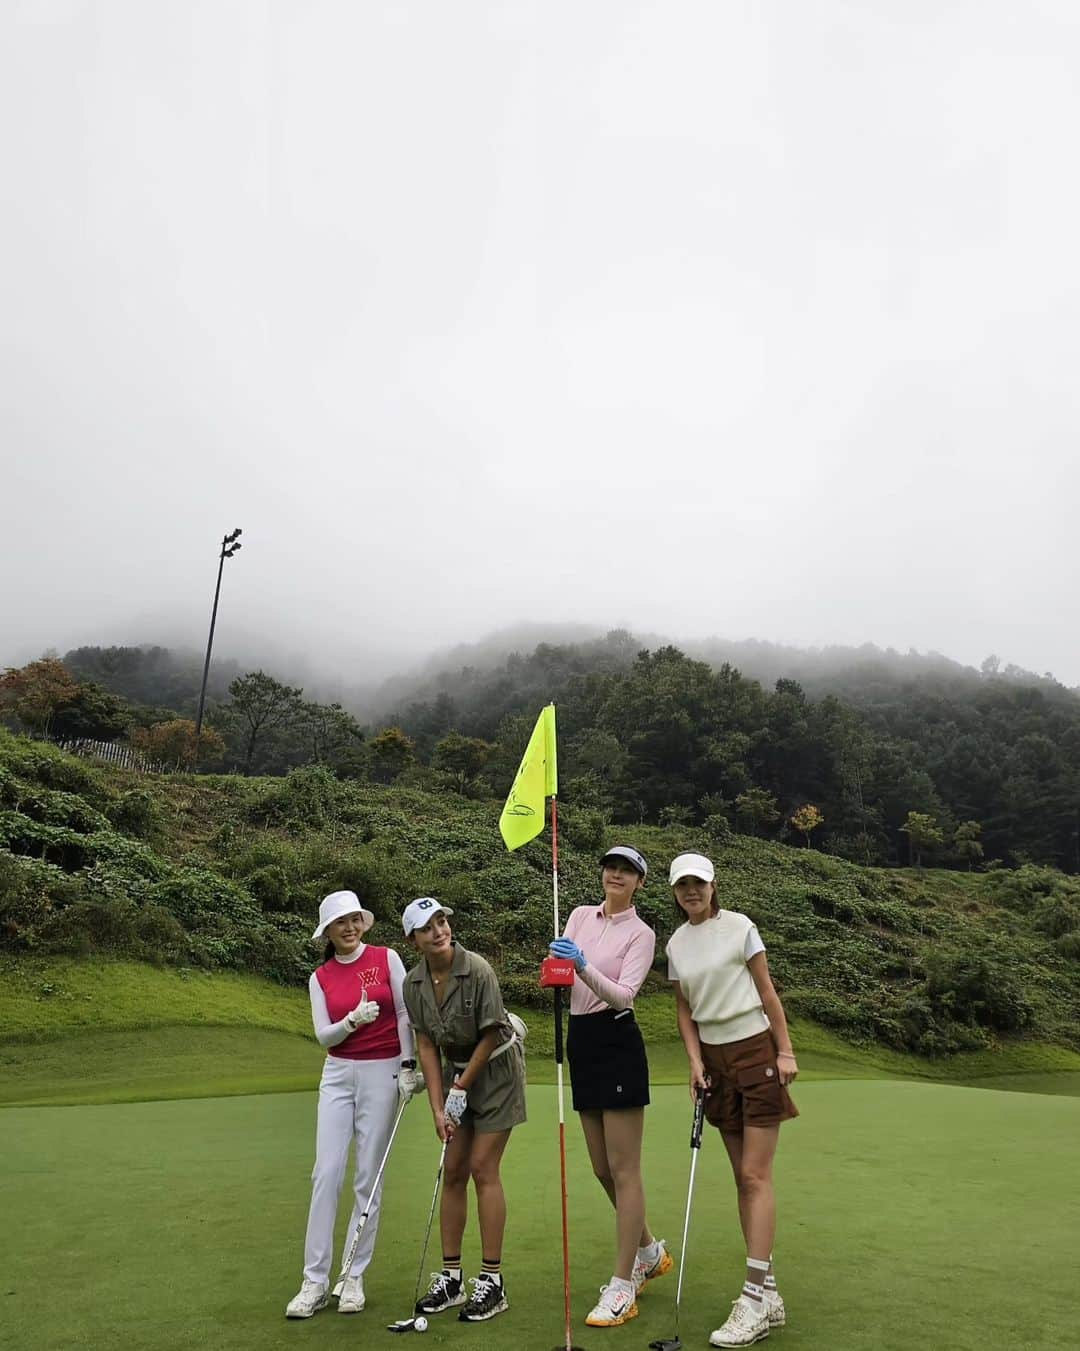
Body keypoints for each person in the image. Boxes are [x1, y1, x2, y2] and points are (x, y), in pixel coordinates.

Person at [664, 852, 799, 1349]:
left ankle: (754, 1298)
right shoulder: (676, 943)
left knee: (753, 1176)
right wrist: (695, 1063)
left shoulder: (741, 927)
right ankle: (768, 1291)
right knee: (743, 1181)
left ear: (713, 885)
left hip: (757, 1051)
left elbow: (766, 991)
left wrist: (785, 1050)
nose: (691, 893)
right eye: (683, 887)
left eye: (698, 884)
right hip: (716, 1063)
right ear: (675, 893)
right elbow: (684, 1010)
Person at [548, 845, 672, 1328]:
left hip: (617, 1041)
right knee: (601, 1167)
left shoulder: (642, 933)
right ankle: (647, 1250)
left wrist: (579, 964)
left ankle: (624, 1286)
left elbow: (623, 996)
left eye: (627, 871)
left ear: (639, 882)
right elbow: (564, 974)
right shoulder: (578, 914)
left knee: (624, 1170)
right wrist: (556, 966)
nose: (616, 875)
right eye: (611, 867)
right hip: (581, 1040)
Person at [285, 890, 419, 1319]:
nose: (348, 927)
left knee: (368, 1176)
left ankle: (352, 1275)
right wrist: (350, 1022)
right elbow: (324, 1036)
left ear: (363, 922)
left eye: (353, 919)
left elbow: (403, 1012)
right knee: (326, 1173)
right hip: (338, 1074)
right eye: (338, 922)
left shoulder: (386, 957)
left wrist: (408, 1064)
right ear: (327, 931)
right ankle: (315, 1281)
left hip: (383, 1070)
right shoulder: (320, 977)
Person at [402, 896, 527, 1325]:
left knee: (481, 1168)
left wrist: (461, 1088)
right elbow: (425, 1046)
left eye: (441, 921)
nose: (438, 931)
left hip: (496, 1073)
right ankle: (452, 1278)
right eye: (427, 927)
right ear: (413, 940)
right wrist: (439, 1108)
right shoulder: (413, 984)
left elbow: (492, 1034)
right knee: (452, 1170)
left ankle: (492, 1282)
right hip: (456, 1073)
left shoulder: (477, 969)